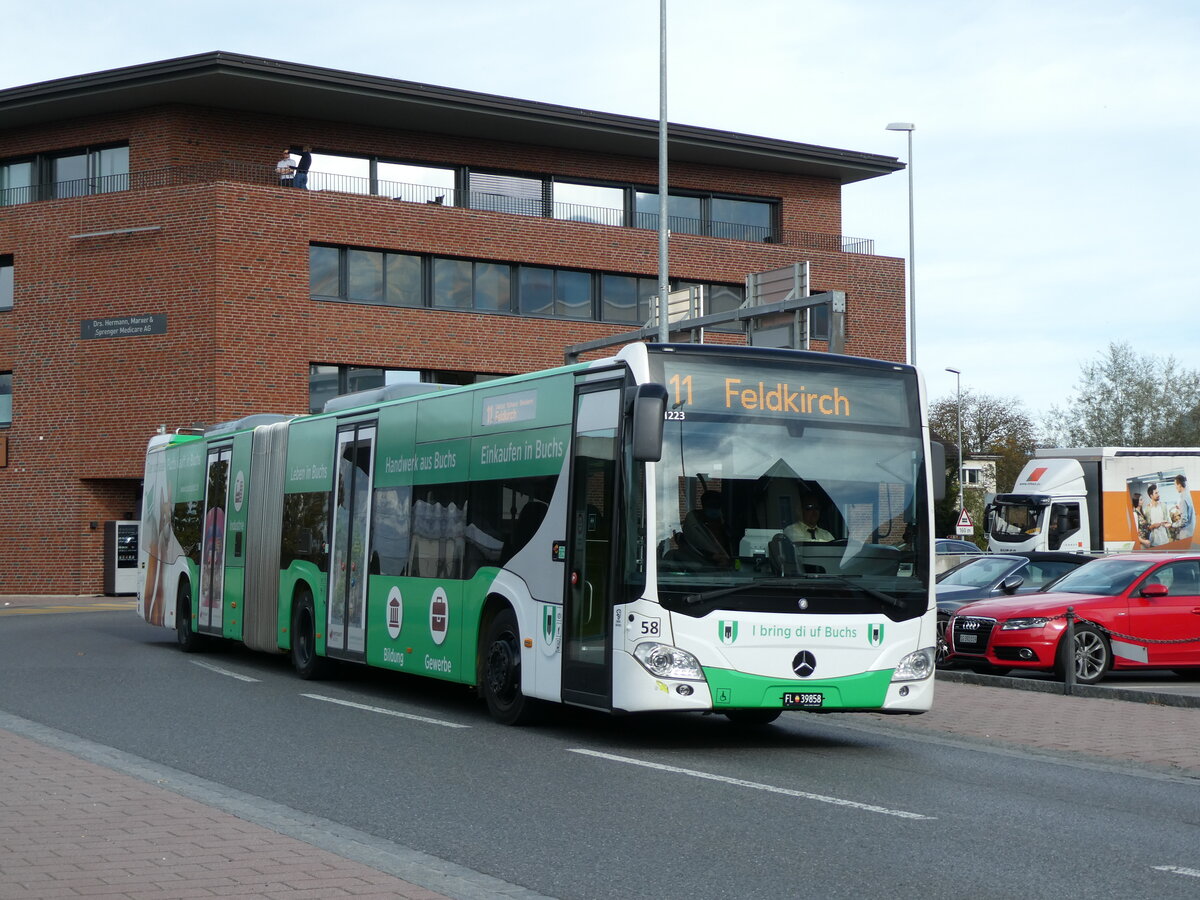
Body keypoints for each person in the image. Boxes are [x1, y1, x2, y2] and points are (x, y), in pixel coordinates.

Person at [681, 491, 733, 566]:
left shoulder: (725, 524)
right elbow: (691, 546)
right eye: (710, 505)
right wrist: (711, 556)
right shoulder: (695, 524)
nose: (714, 508)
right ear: (703, 506)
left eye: (717, 505)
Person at [1175, 474, 1195, 541]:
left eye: (1175, 484)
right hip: (1192, 531)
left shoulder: (1183, 499)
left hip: (1186, 534)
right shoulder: (1190, 495)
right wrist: (1181, 509)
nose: (1175, 487)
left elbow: (1184, 521)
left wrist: (1173, 525)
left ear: (1179, 485)